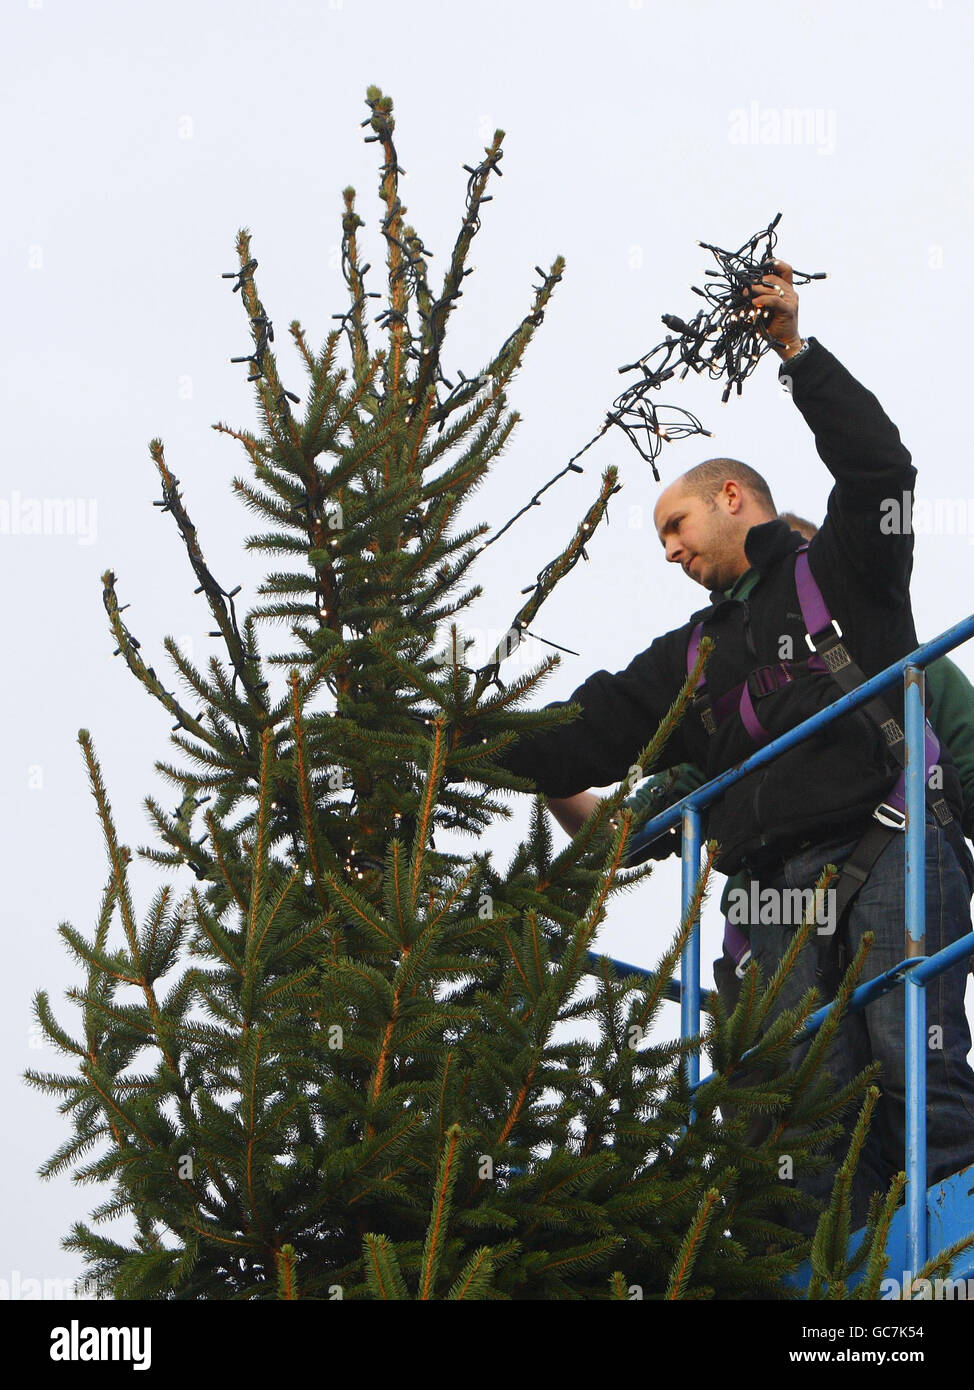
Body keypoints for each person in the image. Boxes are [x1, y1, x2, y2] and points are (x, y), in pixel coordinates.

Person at [492, 260, 974, 1231]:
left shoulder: (845, 575)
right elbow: (587, 733)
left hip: (889, 841)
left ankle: (951, 1224)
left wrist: (793, 350)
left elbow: (878, 473)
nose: (667, 550)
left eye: (674, 524)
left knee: (904, 1045)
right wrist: (451, 744)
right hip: (765, 890)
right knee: (789, 1098)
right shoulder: (695, 657)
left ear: (729, 496)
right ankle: (813, 1275)